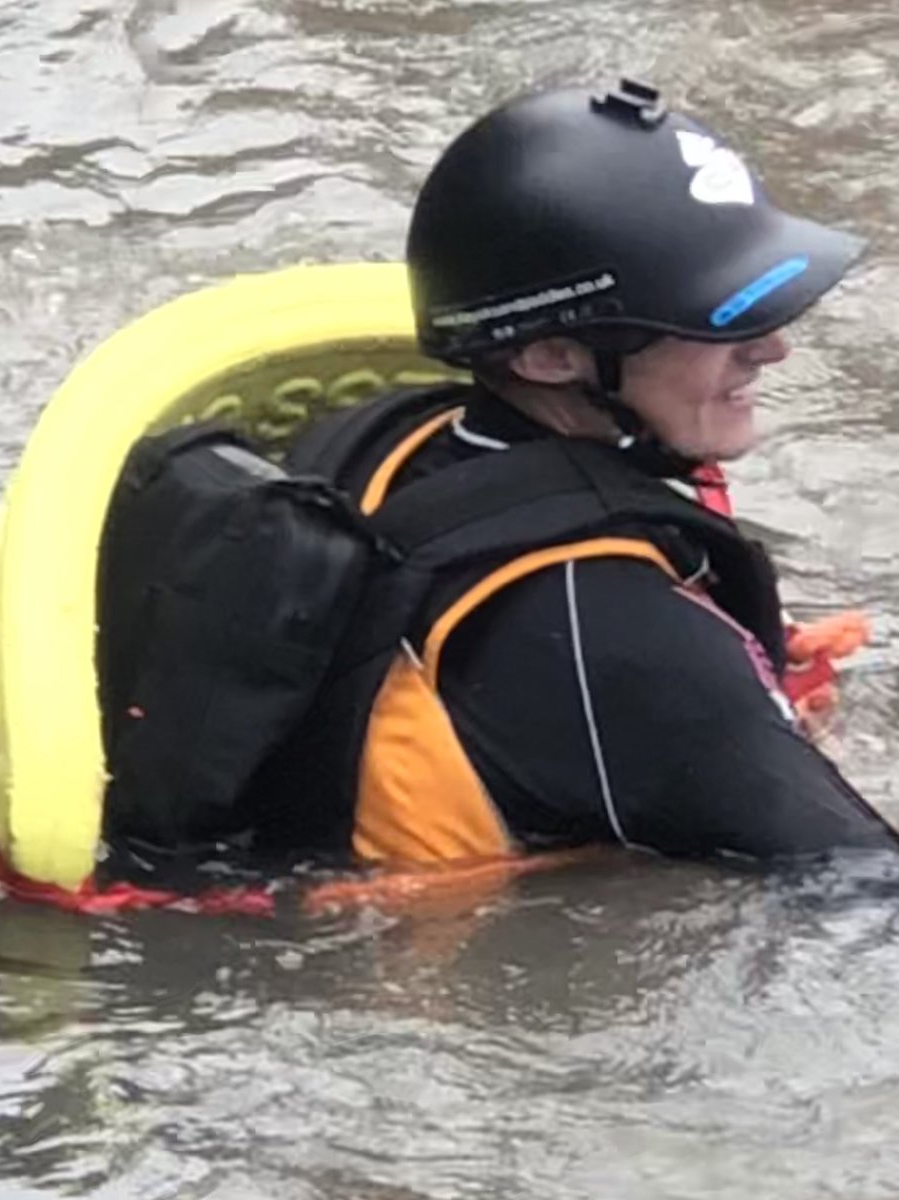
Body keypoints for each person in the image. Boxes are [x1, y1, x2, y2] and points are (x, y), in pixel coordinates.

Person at [248, 79, 899, 864]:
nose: (772, 350)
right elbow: (861, 887)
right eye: (722, 319)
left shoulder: (385, 434)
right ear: (551, 356)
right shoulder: (636, 650)